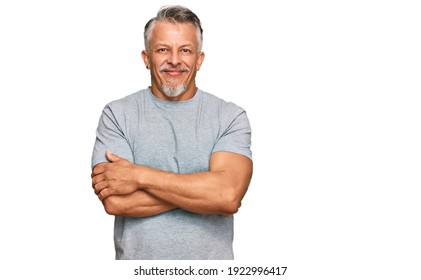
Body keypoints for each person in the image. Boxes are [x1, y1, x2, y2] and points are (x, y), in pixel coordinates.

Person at [91, 5, 253, 260]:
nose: (175, 60)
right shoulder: (117, 114)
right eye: (163, 49)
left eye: (185, 50)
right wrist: (204, 193)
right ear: (146, 58)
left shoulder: (229, 116)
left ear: (199, 60)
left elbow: (227, 196)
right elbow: (117, 202)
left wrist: (138, 176)